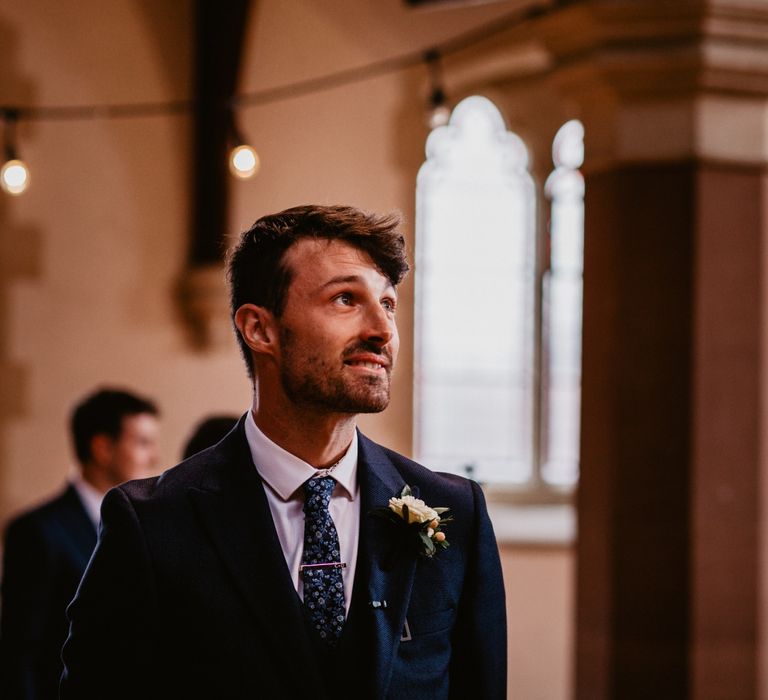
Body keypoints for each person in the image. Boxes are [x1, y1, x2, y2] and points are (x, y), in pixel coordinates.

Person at [61, 205, 506, 699]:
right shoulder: (152, 524)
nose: (382, 329)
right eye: (345, 299)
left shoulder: (456, 512)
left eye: (389, 303)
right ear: (260, 329)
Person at [0, 387, 159, 700]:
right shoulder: (37, 531)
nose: (154, 457)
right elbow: (19, 654)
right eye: (142, 443)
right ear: (102, 448)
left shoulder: (150, 526)